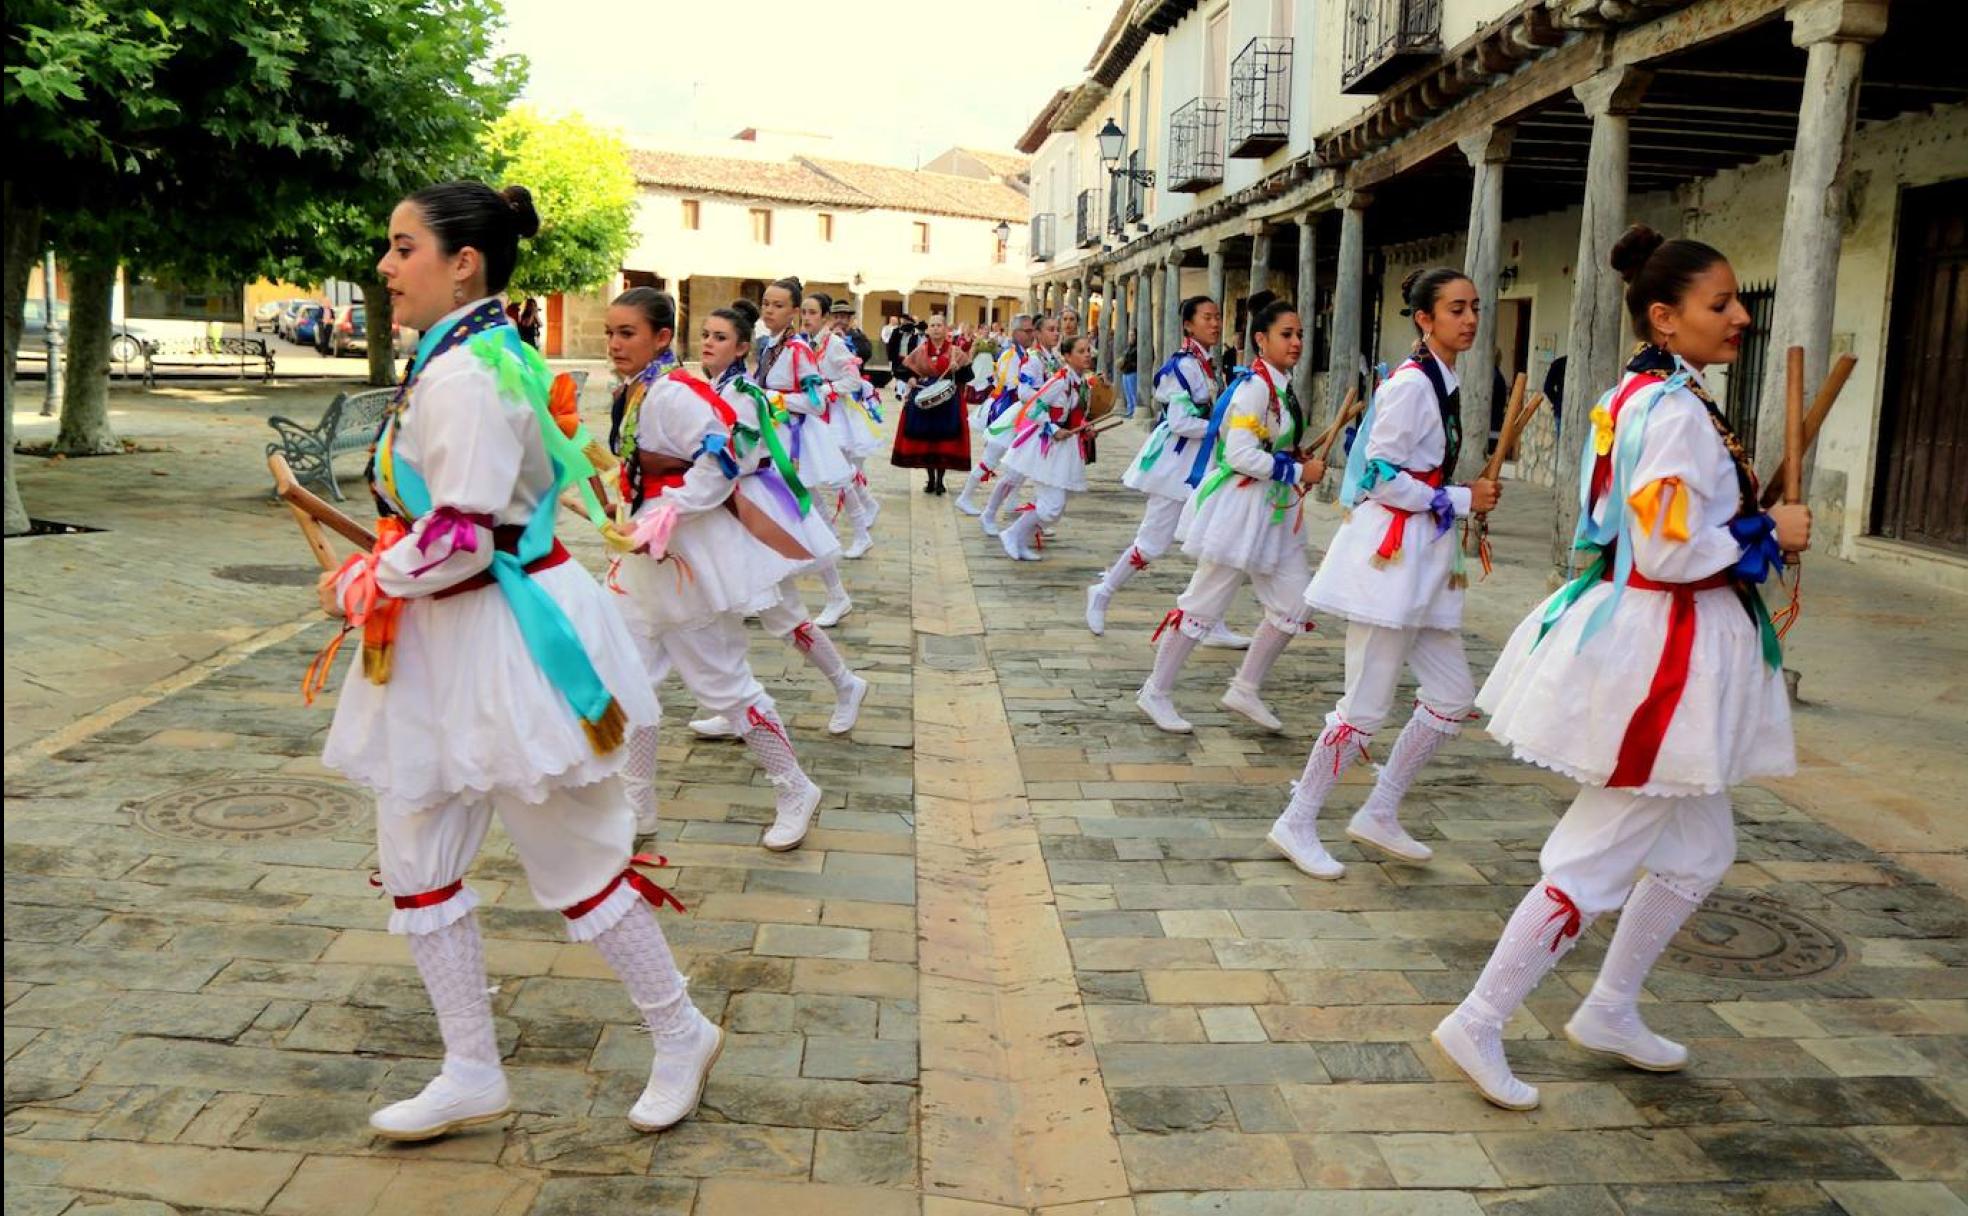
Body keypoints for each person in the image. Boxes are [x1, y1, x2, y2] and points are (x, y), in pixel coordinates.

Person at [316, 181, 718, 1141]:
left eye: (402, 246)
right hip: (446, 641)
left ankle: (680, 1029)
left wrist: (368, 581)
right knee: (415, 850)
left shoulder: (466, 371)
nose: (385, 264)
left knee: (571, 854)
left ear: (464, 263)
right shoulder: (471, 353)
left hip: (503, 637)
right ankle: (469, 1069)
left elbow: (460, 535)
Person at [1434, 228, 1804, 1111]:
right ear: (1665, 319)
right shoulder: (1671, 410)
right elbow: (1671, 552)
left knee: (1702, 847)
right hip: (1665, 661)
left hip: (1669, 642)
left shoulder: (1645, 392)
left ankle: (1611, 1006)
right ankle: (1480, 1018)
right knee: (1598, 855)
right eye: (1721, 304)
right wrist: (1766, 534)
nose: (1742, 316)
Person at [1269, 267, 1501, 880]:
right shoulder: (1411, 385)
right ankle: (1297, 819)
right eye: (1456, 309)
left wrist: (1458, 497)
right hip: (1391, 562)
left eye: (1474, 307)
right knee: (1365, 705)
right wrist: (1459, 496)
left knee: (1452, 696)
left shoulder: (1440, 381)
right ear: (1425, 319)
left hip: (1424, 563)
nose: (1470, 318)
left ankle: (1380, 808)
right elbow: (1375, 474)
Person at [603, 285, 827, 855]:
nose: (614, 344)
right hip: (645, 561)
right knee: (631, 679)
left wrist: (671, 509)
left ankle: (795, 787)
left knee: (722, 683)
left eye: (626, 333)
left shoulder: (673, 394)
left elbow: (726, 456)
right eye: (610, 333)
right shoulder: (639, 390)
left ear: (660, 337)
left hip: (684, 562)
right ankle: (637, 801)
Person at [1135, 300, 1325, 734]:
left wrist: (1295, 457)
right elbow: (1238, 453)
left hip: (1274, 512)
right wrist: (1296, 469)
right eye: (1286, 334)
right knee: (1204, 603)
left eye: (1299, 334)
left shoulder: (1280, 384)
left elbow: (1267, 443)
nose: (1296, 342)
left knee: (1294, 603)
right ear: (1261, 339)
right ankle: (1156, 690)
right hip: (1241, 511)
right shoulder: (1253, 387)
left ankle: (1245, 687)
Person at [683, 300, 869, 740]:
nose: (709, 343)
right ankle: (734, 706)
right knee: (720, 610)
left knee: (783, 615)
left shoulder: (744, 394)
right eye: (706, 335)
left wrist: (696, 465)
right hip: (725, 511)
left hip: (749, 512)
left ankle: (846, 683)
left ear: (742, 346)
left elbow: (743, 458)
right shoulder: (714, 388)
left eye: (721, 337)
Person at [1086, 295, 1249, 652]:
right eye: (1207, 317)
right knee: (1152, 543)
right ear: (1188, 324)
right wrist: (1220, 427)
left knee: (1213, 541)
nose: (1215, 322)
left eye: (1218, 316)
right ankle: (1103, 591)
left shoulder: (1207, 363)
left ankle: (1209, 618)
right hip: (1177, 466)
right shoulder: (1183, 366)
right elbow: (1179, 422)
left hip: (1203, 463)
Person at [757, 277, 856, 624]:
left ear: (795, 312)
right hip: (773, 438)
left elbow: (815, 403)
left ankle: (837, 593)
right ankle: (764, 589)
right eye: (766, 303)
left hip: (796, 443)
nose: (769, 310)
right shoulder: (768, 345)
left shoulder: (798, 349)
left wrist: (775, 399)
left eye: (778, 305)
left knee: (803, 514)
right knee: (774, 511)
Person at [997, 333, 1095, 560]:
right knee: (1051, 505)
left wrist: (1084, 427)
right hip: (1046, 446)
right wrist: (1053, 428)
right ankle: (1012, 534)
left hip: (1066, 448)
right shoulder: (1059, 380)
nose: (1087, 355)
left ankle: (1020, 541)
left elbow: (1074, 414)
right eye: (1081, 351)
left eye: (1088, 350)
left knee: (1056, 507)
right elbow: (1033, 409)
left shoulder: (1080, 382)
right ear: (1067, 356)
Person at [805, 292, 880, 559]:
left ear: (825, 317)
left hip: (837, 415)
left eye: (812, 313)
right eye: (804, 312)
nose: (806, 318)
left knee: (840, 474)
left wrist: (826, 389)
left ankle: (860, 533)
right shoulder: (810, 343)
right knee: (838, 473)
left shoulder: (834, 343)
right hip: (818, 414)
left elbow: (853, 381)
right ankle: (862, 514)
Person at [978, 314, 1062, 536]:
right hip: (1033, 424)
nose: (1056, 333)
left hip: (1048, 424)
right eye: (1051, 329)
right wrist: (1049, 400)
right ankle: (988, 513)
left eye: (1057, 329)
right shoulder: (1033, 359)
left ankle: (1036, 520)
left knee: (1045, 475)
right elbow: (1024, 392)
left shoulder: (1053, 359)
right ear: (1038, 333)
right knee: (1014, 474)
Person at [953, 312, 1037, 516]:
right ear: (1016, 333)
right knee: (992, 458)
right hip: (1005, 411)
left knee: (1019, 460)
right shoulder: (1011, 356)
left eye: (1032, 330)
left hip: (1016, 412)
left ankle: (1011, 500)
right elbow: (1012, 386)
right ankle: (965, 497)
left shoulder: (1023, 354)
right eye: (1027, 331)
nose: (1031, 335)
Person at [890, 312, 975, 494]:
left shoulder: (955, 352)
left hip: (948, 401)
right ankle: (930, 479)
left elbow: (969, 375)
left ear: (946, 329)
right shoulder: (920, 351)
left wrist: (957, 368)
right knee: (928, 440)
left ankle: (940, 481)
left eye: (939, 325)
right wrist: (912, 378)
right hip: (924, 397)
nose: (936, 328)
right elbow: (902, 370)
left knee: (943, 441)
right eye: (932, 325)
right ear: (928, 329)